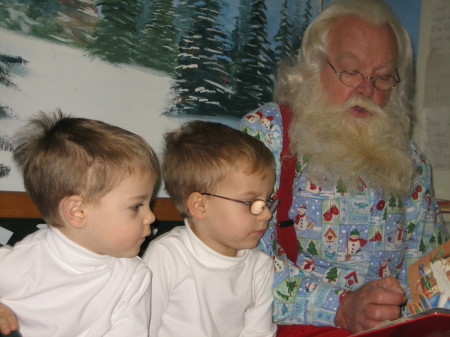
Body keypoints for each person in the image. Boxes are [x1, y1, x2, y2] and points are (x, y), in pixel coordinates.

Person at [240, 0, 449, 336]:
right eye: (351, 72)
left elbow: (429, 271)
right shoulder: (268, 135)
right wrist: (340, 306)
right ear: (312, 65)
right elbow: (237, 263)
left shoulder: (410, 161)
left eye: (383, 78)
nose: (366, 90)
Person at [0, 110, 159, 336]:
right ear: (77, 212)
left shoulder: (133, 277)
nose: (151, 217)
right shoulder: (20, 263)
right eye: (136, 206)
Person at [142, 120, 277, 337]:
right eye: (250, 202)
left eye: (267, 201)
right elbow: (142, 327)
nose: (267, 213)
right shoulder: (168, 256)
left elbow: (258, 332)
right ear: (199, 206)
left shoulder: (258, 266)